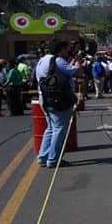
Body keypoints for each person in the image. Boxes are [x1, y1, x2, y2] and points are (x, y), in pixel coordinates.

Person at [35, 38, 78, 168]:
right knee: (59, 129)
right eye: (68, 48)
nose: (69, 51)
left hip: (44, 97)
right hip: (58, 99)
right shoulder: (58, 60)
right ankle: (53, 160)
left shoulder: (43, 59)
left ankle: (43, 157)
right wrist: (77, 61)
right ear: (62, 49)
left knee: (51, 128)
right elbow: (77, 71)